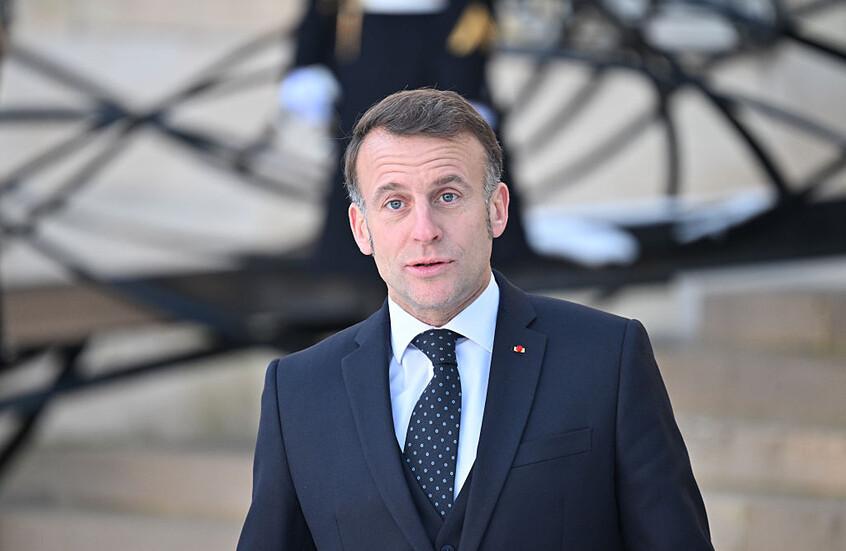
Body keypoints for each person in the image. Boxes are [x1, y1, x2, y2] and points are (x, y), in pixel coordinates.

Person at [238, 89, 713, 550]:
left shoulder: (607, 358)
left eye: (447, 196)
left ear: (497, 210)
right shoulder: (297, 391)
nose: (424, 231)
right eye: (395, 203)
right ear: (362, 229)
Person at [278, 0, 528, 274]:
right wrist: (308, 58)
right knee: (362, 148)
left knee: (451, 154)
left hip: (440, 45)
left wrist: (467, 79)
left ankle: (487, 255)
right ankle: (351, 259)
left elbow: (472, 13)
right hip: (366, 48)